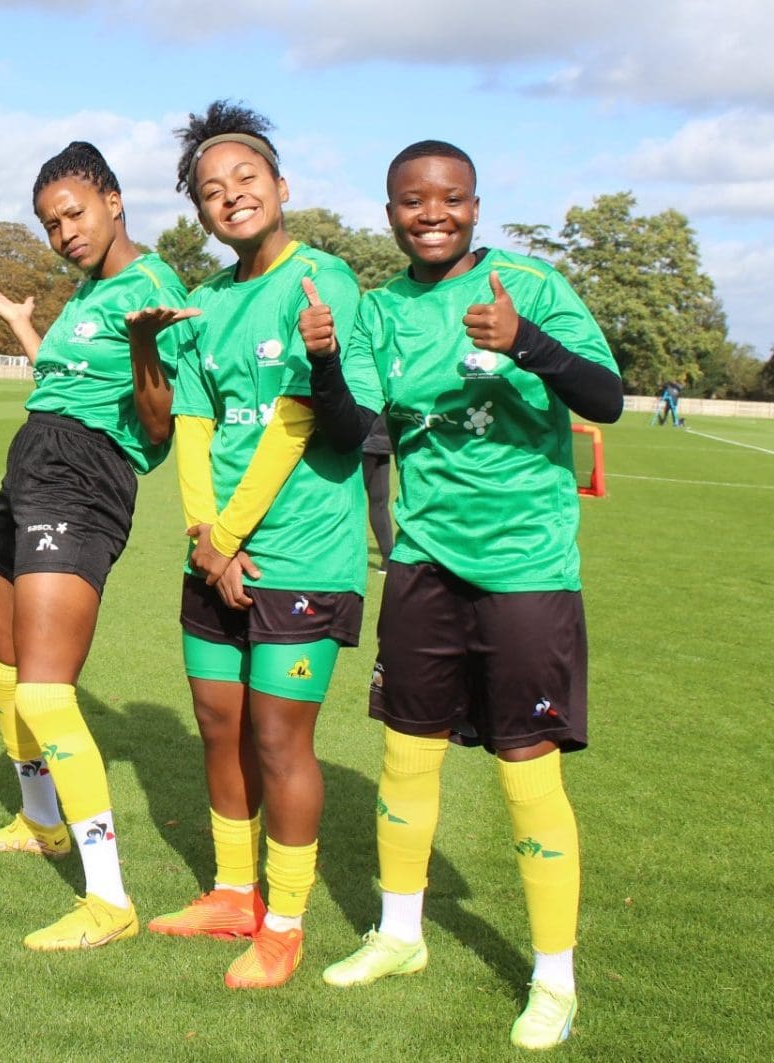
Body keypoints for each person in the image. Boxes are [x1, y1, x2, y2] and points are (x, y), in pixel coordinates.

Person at [306, 140, 622, 1050]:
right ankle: (400, 934)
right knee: (408, 755)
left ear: (475, 206)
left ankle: (553, 979)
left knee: (527, 769)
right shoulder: (380, 311)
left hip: (526, 569)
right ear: (391, 213)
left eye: (449, 198)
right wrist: (324, 362)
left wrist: (525, 342)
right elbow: (354, 428)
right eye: (413, 200)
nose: (431, 213)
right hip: (423, 562)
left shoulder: (532, 283)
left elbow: (607, 398)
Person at [144, 101, 376, 990]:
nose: (231, 195)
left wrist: (230, 537)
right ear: (200, 211)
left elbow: (299, 419)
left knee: (280, 740)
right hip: (216, 550)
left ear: (282, 186)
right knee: (218, 723)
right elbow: (193, 422)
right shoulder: (205, 302)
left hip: (302, 552)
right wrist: (205, 538)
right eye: (212, 189)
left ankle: (283, 925)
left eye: (246, 178)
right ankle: (233, 893)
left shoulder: (323, 281)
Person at [0, 141, 197, 950]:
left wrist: (144, 346)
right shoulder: (90, 292)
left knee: (45, 692)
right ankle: (40, 821)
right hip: (32, 462)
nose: (65, 233)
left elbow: (156, 427)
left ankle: (109, 898)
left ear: (114, 201)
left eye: (75, 214)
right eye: (51, 223)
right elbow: (66, 384)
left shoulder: (153, 290)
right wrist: (27, 328)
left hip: (83, 476)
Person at [362, 415, 395, 570]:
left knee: (375, 502)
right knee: (379, 503)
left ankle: (388, 559)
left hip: (370, 441)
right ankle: (388, 561)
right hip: (381, 440)